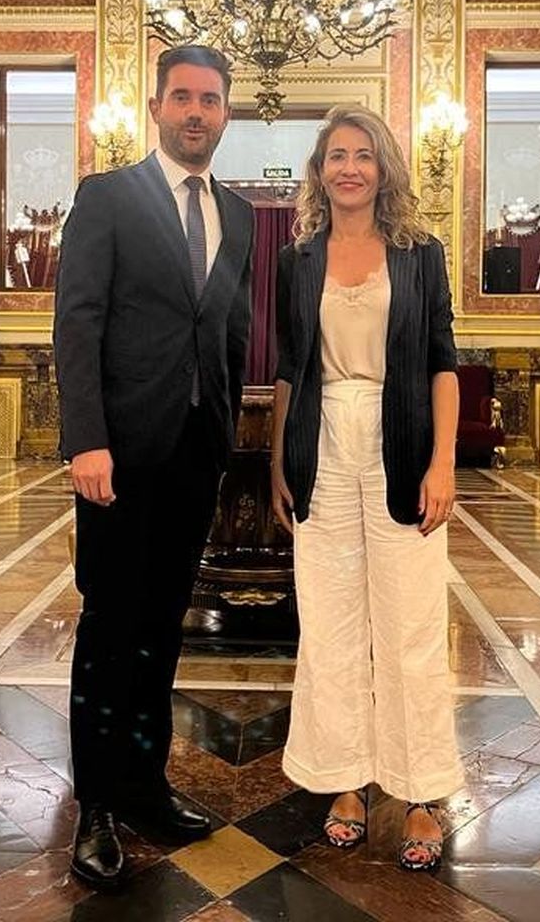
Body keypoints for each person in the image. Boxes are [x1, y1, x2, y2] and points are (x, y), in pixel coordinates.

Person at [54, 44, 255, 890]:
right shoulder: (108, 197)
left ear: (226, 113)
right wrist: (85, 439)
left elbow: (230, 331)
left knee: (162, 628)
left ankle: (144, 785)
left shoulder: (239, 214)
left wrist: (228, 433)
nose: (196, 112)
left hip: (193, 452)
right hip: (120, 454)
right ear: (157, 106)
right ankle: (97, 803)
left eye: (210, 100)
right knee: (110, 627)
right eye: (183, 98)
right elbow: (78, 322)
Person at [270, 104, 463, 873]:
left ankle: (419, 791)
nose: (349, 167)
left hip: (402, 439)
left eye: (363, 155)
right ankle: (343, 780)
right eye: (335, 156)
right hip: (322, 443)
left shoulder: (421, 252)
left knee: (412, 625)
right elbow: (291, 367)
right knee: (329, 622)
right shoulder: (300, 258)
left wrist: (443, 461)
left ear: (383, 167)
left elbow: (443, 360)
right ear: (319, 171)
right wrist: (281, 461)